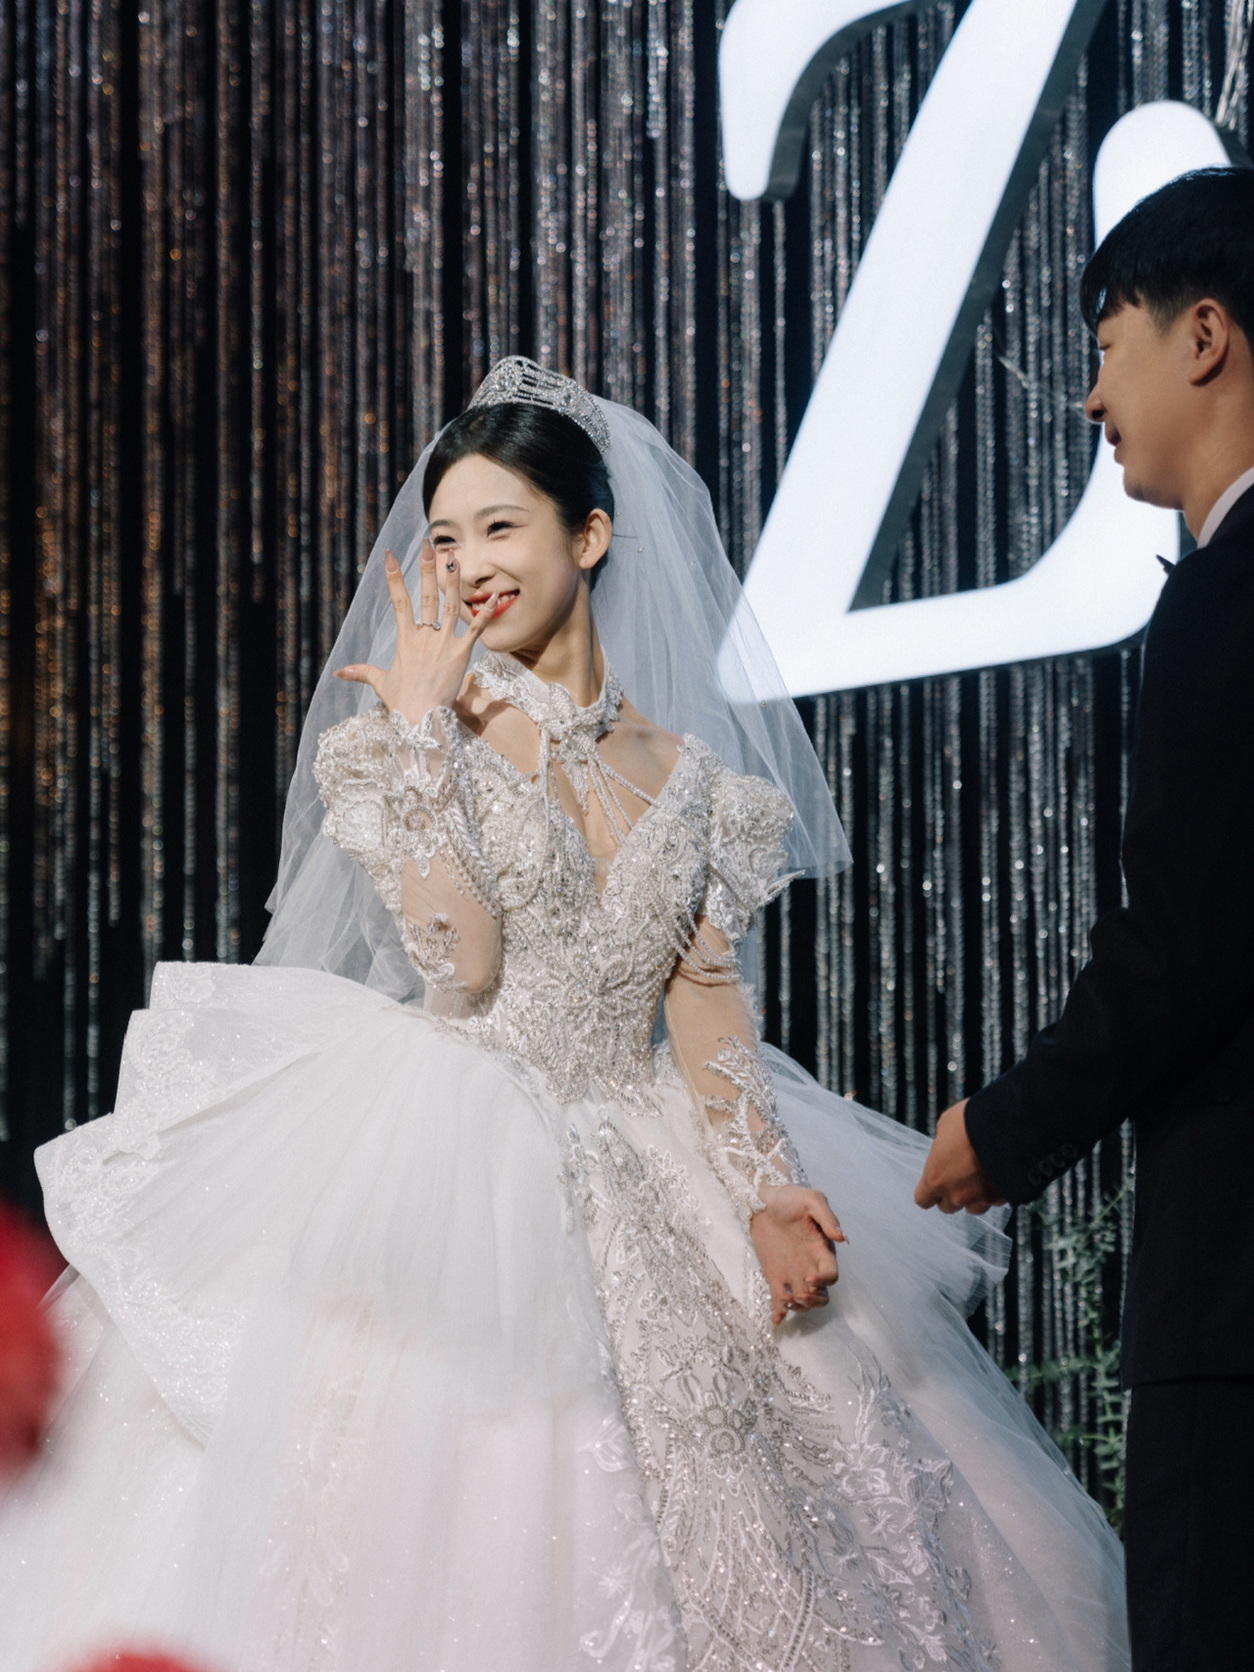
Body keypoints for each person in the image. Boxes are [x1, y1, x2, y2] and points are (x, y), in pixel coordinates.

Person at [0, 359, 1128, 1671]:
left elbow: (702, 1001)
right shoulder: (414, 730)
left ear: (588, 536)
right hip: (462, 1160)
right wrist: (423, 743)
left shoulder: (685, 774)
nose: (467, 564)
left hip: (647, 1145)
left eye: (500, 526)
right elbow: (461, 963)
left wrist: (767, 1186)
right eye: (444, 538)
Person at [914, 166, 1254, 1672]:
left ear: (1203, 337)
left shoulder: (1228, 600)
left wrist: (1006, 1127)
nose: (1089, 398)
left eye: (1105, 347)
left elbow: (1185, 940)